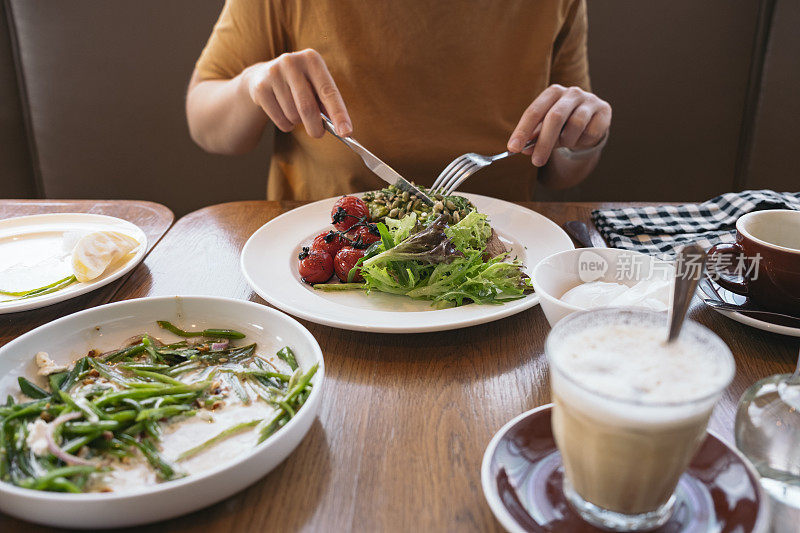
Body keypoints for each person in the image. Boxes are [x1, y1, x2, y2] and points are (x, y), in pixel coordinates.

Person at [186, 0, 611, 202]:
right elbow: (204, 120)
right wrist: (250, 83)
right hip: (319, 258)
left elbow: (560, 171)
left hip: (506, 256)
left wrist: (581, 138)